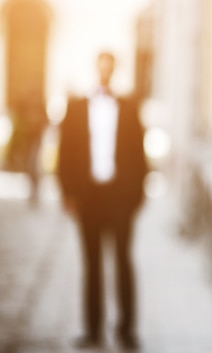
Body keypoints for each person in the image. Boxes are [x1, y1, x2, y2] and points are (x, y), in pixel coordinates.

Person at [57, 51, 148, 350]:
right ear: (96, 69)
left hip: (120, 198)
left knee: (123, 261)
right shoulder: (75, 108)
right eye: (102, 66)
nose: (105, 71)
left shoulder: (129, 107)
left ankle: (126, 330)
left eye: (110, 66)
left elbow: (139, 155)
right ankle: (93, 330)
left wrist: (135, 196)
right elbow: (65, 154)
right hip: (88, 198)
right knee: (91, 263)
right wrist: (68, 193)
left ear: (114, 70)